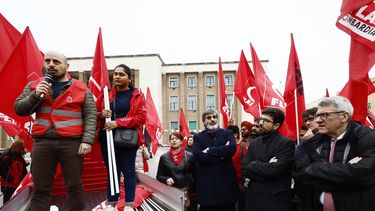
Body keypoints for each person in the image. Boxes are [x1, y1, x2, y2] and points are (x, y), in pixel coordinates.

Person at [14, 50, 97, 211]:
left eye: (56, 62)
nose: (51, 65)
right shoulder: (34, 85)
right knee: (40, 188)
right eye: (48, 61)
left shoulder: (82, 88)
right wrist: (36, 94)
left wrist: (87, 140)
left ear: (67, 66)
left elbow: (91, 115)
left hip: (72, 144)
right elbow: (19, 109)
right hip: (42, 142)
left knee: (75, 186)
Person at [294, 96, 375, 211]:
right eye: (317, 115)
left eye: (324, 115)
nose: (317, 120)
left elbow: (366, 174)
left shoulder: (367, 137)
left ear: (344, 116)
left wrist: (315, 168)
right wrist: (347, 170)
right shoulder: (311, 142)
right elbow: (299, 172)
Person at [99, 64, 146, 211]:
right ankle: (112, 203)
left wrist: (117, 123)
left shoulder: (137, 95)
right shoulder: (106, 94)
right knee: (112, 171)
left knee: (128, 171)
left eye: (121, 74)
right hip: (107, 138)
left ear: (129, 78)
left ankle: (129, 204)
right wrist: (101, 114)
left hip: (127, 139)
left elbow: (141, 118)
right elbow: (93, 112)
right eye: (115, 74)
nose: (117, 76)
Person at [242, 107, 295, 211]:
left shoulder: (286, 143)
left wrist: (253, 165)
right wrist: (266, 166)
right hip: (254, 200)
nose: (260, 123)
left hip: (275, 201)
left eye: (265, 121)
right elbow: (245, 169)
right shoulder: (253, 143)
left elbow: (276, 170)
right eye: (260, 119)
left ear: (276, 125)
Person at [192, 109, 239, 211]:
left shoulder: (228, 133)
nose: (212, 119)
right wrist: (222, 154)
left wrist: (210, 150)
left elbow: (231, 149)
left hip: (226, 187)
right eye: (208, 118)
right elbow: (197, 156)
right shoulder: (198, 137)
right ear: (204, 121)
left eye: (214, 117)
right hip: (207, 189)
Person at [156, 132, 196, 211]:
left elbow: (195, 175)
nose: (174, 141)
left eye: (177, 139)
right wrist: (166, 179)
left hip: (187, 193)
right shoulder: (164, 157)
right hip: (171, 194)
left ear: (181, 141)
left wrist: (190, 188)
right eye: (172, 139)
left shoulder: (190, 156)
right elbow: (159, 176)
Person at [227, 125, 246, 211]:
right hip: (227, 181)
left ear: (235, 135)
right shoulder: (226, 146)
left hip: (240, 183)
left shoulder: (242, 146)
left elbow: (246, 163)